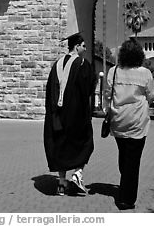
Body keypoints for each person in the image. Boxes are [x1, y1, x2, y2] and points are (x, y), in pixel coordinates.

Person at [105, 38, 154, 210]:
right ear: (139, 55)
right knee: (133, 161)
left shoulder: (113, 71)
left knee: (123, 154)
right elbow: (152, 95)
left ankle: (124, 182)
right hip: (137, 122)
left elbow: (107, 94)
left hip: (118, 121)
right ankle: (126, 199)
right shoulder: (145, 73)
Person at [43, 32, 96, 196]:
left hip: (57, 116)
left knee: (61, 147)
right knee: (85, 143)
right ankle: (77, 173)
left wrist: (52, 114)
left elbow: (49, 91)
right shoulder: (82, 63)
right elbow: (88, 89)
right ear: (77, 46)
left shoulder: (57, 64)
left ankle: (61, 183)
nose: (85, 49)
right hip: (77, 115)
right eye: (84, 46)